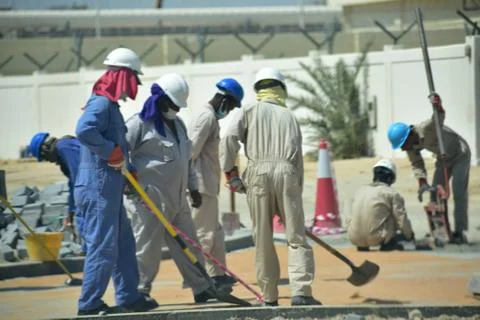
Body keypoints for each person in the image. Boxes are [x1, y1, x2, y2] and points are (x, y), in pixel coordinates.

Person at [219, 67, 321, 306]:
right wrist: (295, 193)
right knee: (296, 237)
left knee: (263, 238)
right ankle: (301, 293)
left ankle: (269, 296)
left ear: (258, 89)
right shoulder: (290, 116)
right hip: (287, 174)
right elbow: (297, 160)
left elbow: (228, 140)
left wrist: (231, 173)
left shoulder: (248, 110)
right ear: (281, 88)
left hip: (257, 173)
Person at [124, 73, 224, 304]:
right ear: (160, 99)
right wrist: (128, 185)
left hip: (178, 199)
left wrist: (193, 186)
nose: (176, 110)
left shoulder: (178, 125)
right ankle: (139, 292)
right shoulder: (138, 125)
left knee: (190, 244)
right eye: (172, 105)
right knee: (147, 249)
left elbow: (186, 159)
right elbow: (120, 156)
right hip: (149, 201)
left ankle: (201, 288)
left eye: (178, 106)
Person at [74, 47, 158, 316]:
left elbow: (119, 146)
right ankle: (89, 304)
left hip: (108, 187)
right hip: (97, 188)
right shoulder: (99, 103)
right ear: (124, 76)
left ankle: (129, 296)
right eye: (133, 79)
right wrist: (110, 150)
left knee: (123, 243)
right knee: (103, 244)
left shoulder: (109, 106)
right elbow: (84, 130)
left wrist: (128, 168)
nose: (133, 87)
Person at [387, 93, 471, 244]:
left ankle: (460, 231)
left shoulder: (427, 128)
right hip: (443, 158)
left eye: (403, 145)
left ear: (409, 136)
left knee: (458, 191)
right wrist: (422, 183)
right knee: (435, 193)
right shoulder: (411, 146)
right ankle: (439, 230)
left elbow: (438, 117)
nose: (403, 149)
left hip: (460, 153)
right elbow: (417, 165)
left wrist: (437, 104)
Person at [187, 78, 244, 287]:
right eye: (230, 107)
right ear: (224, 101)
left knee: (216, 233)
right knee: (204, 235)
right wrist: (191, 187)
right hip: (200, 187)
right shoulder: (206, 118)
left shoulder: (211, 118)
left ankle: (217, 274)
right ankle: (202, 280)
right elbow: (189, 153)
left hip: (209, 185)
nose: (228, 112)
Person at [346, 159, 414, 251]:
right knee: (394, 215)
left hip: (354, 239)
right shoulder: (392, 194)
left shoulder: (358, 192)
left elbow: (348, 218)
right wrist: (409, 236)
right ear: (390, 178)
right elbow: (401, 220)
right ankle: (387, 245)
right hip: (378, 238)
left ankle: (362, 243)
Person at [28, 132, 80, 238]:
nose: (48, 161)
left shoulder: (64, 147)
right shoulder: (62, 155)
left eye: (44, 157)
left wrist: (78, 211)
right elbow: (72, 185)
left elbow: (78, 178)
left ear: (45, 148)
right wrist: (70, 214)